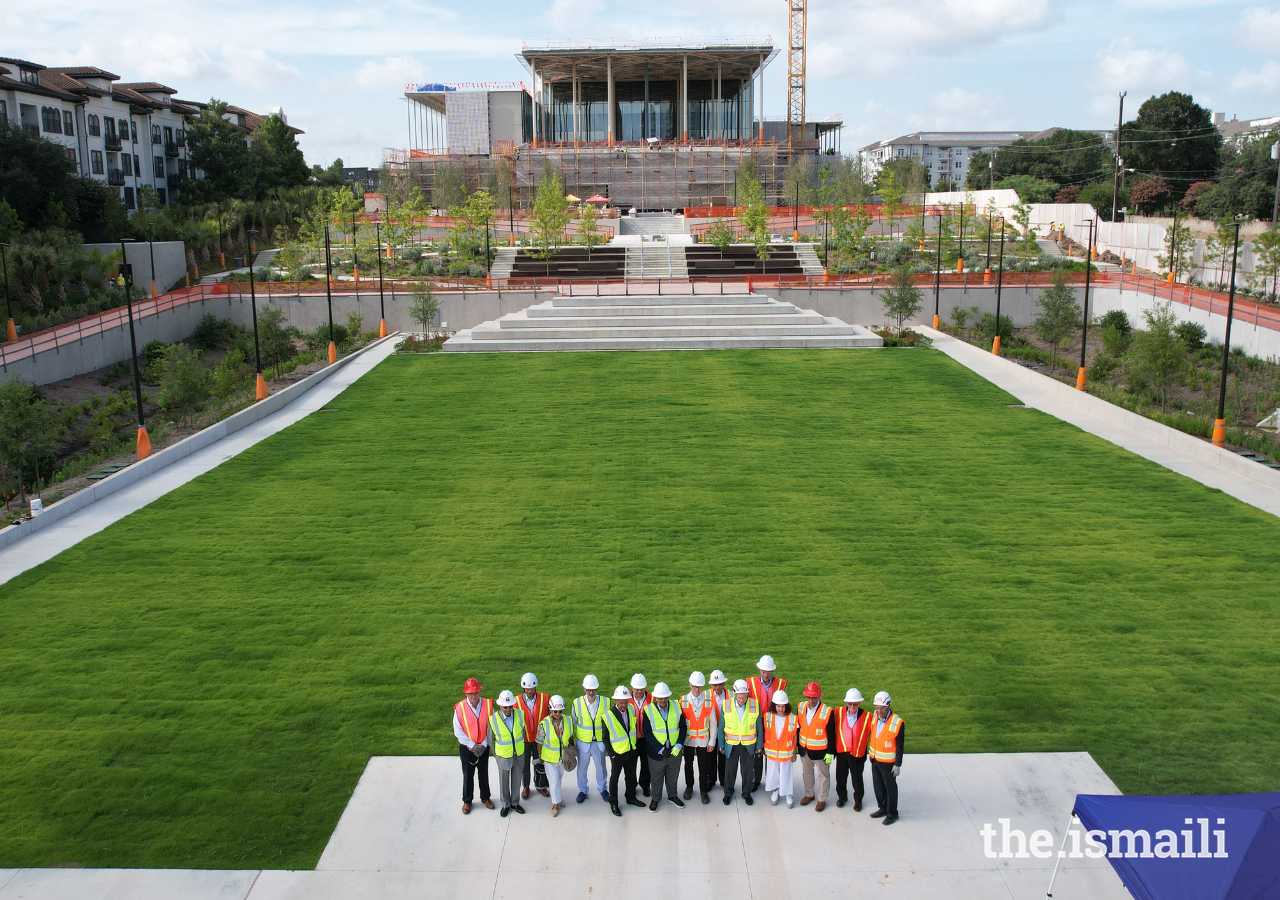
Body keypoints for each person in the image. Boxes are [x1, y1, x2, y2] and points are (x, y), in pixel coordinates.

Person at [454, 677, 495, 814]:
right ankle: (467, 801)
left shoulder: (488, 705)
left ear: (479, 691)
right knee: (467, 774)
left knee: (483, 773)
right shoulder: (459, 708)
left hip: (483, 746)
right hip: (467, 748)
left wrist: (483, 743)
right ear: (466, 694)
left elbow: (491, 725)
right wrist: (472, 745)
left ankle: (486, 798)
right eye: (471, 693)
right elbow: (458, 730)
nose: (473, 696)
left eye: (476, 692)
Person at [718, 679, 762, 806]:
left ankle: (746, 793)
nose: (742, 700)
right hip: (731, 745)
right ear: (735, 695)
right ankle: (728, 793)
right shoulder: (726, 704)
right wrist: (721, 745)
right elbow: (721, 727)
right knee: (730, 771)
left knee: (748, 771)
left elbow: (759, 726)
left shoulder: (755, 704)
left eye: (744, 697)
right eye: (739, 697)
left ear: (748, 694)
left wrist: (759, 746)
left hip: (748, 745)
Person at [643, 682, 687, 811]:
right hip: (657, 753)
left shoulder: (676, 705)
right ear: (655, 698)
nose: (663, 700)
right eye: (660, 698)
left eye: (665, 698)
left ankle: (672, 796)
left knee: (673, 776)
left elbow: (683, 727)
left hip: (675, 751)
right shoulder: (649, 709)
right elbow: (647, 732)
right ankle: (656, 798)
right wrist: (660, 749)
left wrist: (679, 744)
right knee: (656, 777)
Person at [603, 685, 646, 816]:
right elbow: (605, 738)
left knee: (631, 776)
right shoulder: (608, 716)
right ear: (616, 701)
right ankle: (614, 803)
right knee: (614, 779)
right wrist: (612, 755)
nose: (624, 705)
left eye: (626, 702)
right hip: (618, 753)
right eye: (621, 702)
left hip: (631, 751)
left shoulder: (631, 709)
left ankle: (630, 797)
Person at [747, 656, 787, 791]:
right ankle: (756, 779)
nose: (766, 674)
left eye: (768, 672)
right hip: (757, 721)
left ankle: (772, 780)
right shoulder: (751, 683)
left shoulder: (780, 684)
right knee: (758, 751)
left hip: (774, 722)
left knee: (772, 752)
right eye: (763, 671)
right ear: (759, 669)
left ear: (773, 671)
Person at [680, 671, 718, 804]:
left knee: (703, 767)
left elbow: (713, 723)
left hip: (703, 740)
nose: (696, 689)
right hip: (688, 740)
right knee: (688, 765)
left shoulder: (709, 701)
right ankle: (689, 787)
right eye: (694, 686)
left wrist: (712, 741)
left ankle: (703, 791)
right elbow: (680, 724)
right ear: (690, 685)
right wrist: (681, 742)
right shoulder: (683, 700)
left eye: (699, 687)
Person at [868, 691, 905, 825]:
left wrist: (897, 765)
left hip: (888, 763)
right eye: (877, 708)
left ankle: (892, 813)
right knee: (878, 787)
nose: (879, 711)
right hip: (875, 759)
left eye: (882, 708)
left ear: (888, 706)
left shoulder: (897, 723)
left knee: (890, 789)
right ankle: (882, 808)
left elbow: (900, 747)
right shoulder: (874, 717)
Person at [488, 690, 527, 817]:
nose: (508, 709)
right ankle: (505, 804)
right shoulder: (493, 719)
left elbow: (523, 732)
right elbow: (490, 740)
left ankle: (515, 802)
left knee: (516, 779)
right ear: (500, 706)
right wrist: (497, 756)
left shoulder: (520, 714)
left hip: (519, 754)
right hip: (503, 756)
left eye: (510, 706)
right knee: (503, 781)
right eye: (505, 707)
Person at [797, 682, 834, 811]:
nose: (811, 700)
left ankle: (822, 799)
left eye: (814, 697)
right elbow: (799, 728)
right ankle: (809, 794)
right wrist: (798, 746)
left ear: (819, 697)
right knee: (807, 774)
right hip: (804, 749)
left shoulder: (827, 711)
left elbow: (831, 734)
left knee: (823, 776)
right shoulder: (801, 707)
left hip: (820, 752)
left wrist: (830, 752)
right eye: (809, 697)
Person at [572, 675, 610, 804]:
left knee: (601, 767)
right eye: (589, 689)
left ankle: (603, 788)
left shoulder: (606, 702)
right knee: (582, 768)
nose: (591, 692)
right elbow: (575, 721)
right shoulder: (576, 703)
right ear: (584, 689)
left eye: (593, 689)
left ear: (597, 688)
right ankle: (583, 790)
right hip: (584, 742)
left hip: (599, 741)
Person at [834, 688, 873, 811]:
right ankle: (842, 797)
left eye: (855, 704)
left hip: (857, 753)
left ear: (859, 703)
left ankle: (858, 800)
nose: (852, 706)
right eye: (850, 704)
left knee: (857, 778)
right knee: (840, 776)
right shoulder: (838, 712)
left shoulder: (868, 717)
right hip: (842, 751)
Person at [536, 695, 575, 816]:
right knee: (554, 782)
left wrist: (572, 751)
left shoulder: (568, 720)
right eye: (555, 711)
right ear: (550, 710)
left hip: (563, 758)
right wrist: (540, 755)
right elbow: (539, 742)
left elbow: (571, 736)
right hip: (549, 758)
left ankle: (557, 799)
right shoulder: (544, 724)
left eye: (559, 711)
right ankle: (555, 805)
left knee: (559, 779)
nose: (557, 713)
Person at [517, 673, 551, 799]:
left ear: (536, 687)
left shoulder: (545, 698)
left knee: (540, 763)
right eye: (527, 689)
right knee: (524, 765)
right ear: (523, 688)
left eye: (531, 688)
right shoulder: (516, 701)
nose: (529, 691)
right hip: (524, 739)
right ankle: (526, 787)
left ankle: (541, 786)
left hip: (540, 739)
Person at [763, 689, 798, 807]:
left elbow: (794, 736)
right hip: (772, 752)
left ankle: (788, 793)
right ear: (774, 705)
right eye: (778, 706)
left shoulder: (792, 718)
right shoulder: (768, 717)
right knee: (773, 773)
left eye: (783, 706)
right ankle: (775, 790)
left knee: (786, 773)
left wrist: (794, 753)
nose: (781, 709)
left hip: (786, 753)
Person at [628, 673, 653, 797]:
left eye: (641, 688)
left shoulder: (651, 698)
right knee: (631, 764)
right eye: (636, 688)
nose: (639, 691)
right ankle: (631, 785)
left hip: (646, 738)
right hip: (632, 739)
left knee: (646, 764)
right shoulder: (625, 698)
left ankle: (645, 785)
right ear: (631, 687)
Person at [708, 670, 730, 788]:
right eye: (715, 684)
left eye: (720, 684)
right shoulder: (705, 695)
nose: (718, 687)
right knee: (710, 757)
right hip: (710, 731)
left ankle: (723, 780)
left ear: (724, 683)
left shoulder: (731, 695)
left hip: (725, 731)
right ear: (711, 685)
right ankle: (711, 780)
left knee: (724, 756)